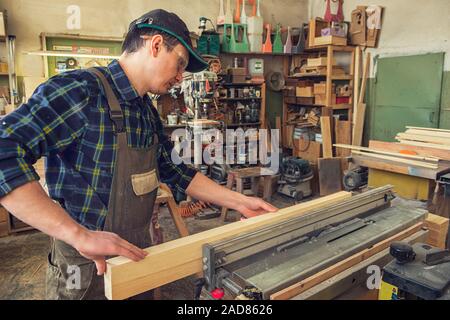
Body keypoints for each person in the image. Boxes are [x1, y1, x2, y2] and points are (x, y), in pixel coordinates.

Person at [0, 9, 277, 300]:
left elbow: (175, 170)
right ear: (156, 45)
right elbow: (4, 151)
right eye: (180, 64)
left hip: (135, 257)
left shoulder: (146, 111)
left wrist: (241, 202)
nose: (181, 78)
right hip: (82, 269)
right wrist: (76, 234)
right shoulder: (80, 90)